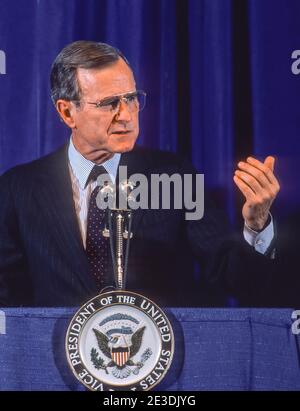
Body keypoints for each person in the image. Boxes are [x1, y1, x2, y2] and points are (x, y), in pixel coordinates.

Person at [0, 41, 280, 308]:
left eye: (131, 99)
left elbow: (239, 282)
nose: (126, 115)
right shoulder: (18, 189)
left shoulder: (175, 176)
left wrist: (256, 225)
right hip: (55, 354)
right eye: (109, 103)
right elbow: (7, 297)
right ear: (67, 112)